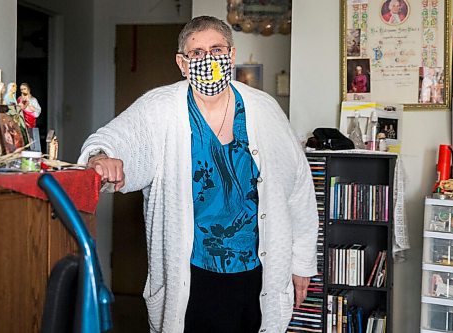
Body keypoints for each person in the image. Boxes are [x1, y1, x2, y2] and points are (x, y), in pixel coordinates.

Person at [78, 16, 318, 333]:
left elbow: (298, 186)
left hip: (257, 274)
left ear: (231, 56)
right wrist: (101, 158)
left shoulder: (265, 110)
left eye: (217, 49)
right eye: (197, 52)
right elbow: (110, 142)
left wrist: (301, 263)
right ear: (182, 63)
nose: (208, 59)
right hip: (191, 276)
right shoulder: (159, 108)